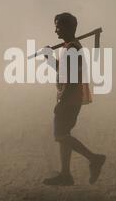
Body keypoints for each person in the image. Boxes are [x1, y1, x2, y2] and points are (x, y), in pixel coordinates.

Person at [43, 12, 106, 186]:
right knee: (64, 135)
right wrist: (49, 58)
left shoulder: (72, 48)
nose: (55, 30)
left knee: (60, 135)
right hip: (71, 98)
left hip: (69, 99)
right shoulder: (70, 46)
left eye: (58, 26)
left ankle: (94, 158)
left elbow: (71, 79)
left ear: (68, 27)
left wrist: (61, 102)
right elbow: (64, 72)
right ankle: (65, 174)